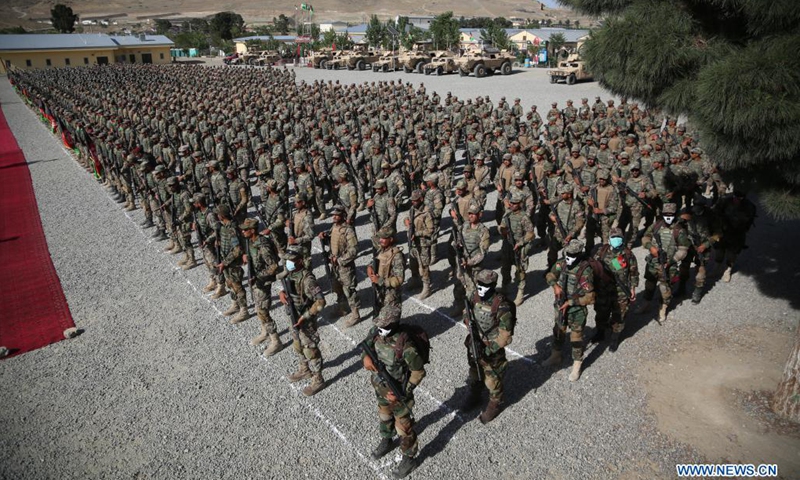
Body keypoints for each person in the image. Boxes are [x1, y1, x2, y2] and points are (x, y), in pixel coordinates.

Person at [361, 305, 425, 479]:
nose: (380, 330)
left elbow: (418, 372)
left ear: (393, 325)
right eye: (379, 326)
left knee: (404, 426)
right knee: (384, 415)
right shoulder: (377, 332)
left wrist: (403, 392)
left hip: (398, 392)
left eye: (384, 327)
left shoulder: (406, 347)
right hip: (380, 387)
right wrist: (365, 357)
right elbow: (365, 345)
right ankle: (387, 439)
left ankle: (409, 457)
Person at [462, 269, 516, 424]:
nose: (481, 288)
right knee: (474, 371)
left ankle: (495, 403)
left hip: (492, 349)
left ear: (493, 286)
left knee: (493, 379)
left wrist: (488, 350)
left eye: (485, 285)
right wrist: (468, 323)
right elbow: (466, 313)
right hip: (475, 342)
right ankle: (475, 394)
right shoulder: (473, 297)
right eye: (479, 284)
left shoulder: (501, 305)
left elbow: (505, 336)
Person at [543, 239, 595, 381]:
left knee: (576, 338)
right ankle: (556, 355)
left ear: (579, 255)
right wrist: (555, 285)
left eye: (572, 255)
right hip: (560, 305)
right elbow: (549, 274)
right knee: (558, 330)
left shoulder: (585, 271)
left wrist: (571, 302)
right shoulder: (562, 263)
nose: (569, 258)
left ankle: (577, 363)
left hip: (576, 310)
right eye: (567, 254)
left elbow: (590, 297)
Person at [281, 245, 327, 396]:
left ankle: (318, 379)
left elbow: (320, 302)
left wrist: (305, 317)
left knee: (310, 349)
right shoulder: (290, 273)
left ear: (300, 261)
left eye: (291, 260)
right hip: (294, 318)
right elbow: (284, 286)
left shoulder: (308, 280)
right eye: (287, 260)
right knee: (297, 345)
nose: (288, 263)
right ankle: (305, 370)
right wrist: (282, 294)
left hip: (305, 320)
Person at [638, 203, 691, 322]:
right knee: (650, 284)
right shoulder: (656, 225)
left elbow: (683, 250)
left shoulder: (679, 230)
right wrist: (650, 246)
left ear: (675, 214)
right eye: (666, 214)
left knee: (665, 288)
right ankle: (646, 303)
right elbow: (645, 236)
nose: (668, 216)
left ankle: (663, 309)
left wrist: (671, 261)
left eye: (671, 214)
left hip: (669, 265)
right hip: (653, 262)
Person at [240, 218, 283, 355]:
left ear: (252, 230)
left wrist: (258, 277)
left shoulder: (263, 245)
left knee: (263, 311)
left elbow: (274, 266)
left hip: (262, 282)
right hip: (256, 281)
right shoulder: (251, 241)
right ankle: (265, 331)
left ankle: (276, 340)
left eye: (245, 229)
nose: (243, 231)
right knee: (259, 308)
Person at [592, 228, 639, 351]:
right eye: (613, 237)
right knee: (601, 311)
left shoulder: (628, 254)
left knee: (619, 315)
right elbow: (595, 268)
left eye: (618, 237)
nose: (616, 240)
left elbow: (633, 273)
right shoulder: (602, 251)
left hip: (621, 291)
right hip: (604, 289)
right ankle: (600, 332)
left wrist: (633, 288)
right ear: (609, 238)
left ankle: (615, 338)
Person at [319, 206, 361, 327]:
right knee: (337, 286)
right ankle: (342, 308)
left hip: (345, 266)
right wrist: (324, 235)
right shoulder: (335, 227)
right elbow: (332, 237)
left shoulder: (348, 230)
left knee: (349, 290)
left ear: (342, 215)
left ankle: (355, 314)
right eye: (333, 215)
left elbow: (354, 250)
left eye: (337, 215)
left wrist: (340, 260)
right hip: (334, 265)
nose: (334, 217)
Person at [216, 204, 249, 324]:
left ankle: (244, 310)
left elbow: (237, 250)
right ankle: (235, 304)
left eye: (218, 214)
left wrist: (224, 262)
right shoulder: (224, 226)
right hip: (227, 263)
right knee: (230, 284)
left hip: (232, 264)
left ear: (222, 216)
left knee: (238, 287)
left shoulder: (231, 229)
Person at [713, 190, 756, 283]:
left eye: (739, 198)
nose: (737, 200)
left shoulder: (748, 206)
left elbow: (748, 220)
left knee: (732, 253)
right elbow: (715, 212)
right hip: (723, 231)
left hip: (737, 232)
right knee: (719, 250)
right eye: (735, 197)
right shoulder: (725, 201)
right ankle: (717, 268)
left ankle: (728, 270)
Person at [367, 227, 405, 313]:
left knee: (386, 321)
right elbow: (376, 260)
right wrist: (369, 267)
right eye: (380, 238)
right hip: (379, 290)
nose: (380, 240)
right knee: (377, 312)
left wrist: (380, 281)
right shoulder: (382, 249)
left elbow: (399, 279)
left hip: (390, 293)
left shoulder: (397, 255)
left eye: (383, 238)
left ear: (391, 239)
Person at [406, 189, 435, 299]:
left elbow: (430, 230)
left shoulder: (427, 212)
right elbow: (410, 220)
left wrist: (417, 234)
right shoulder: (413, 209)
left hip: (423, 243)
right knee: (412, 263)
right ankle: (415, 280)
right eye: (412, 200)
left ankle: (427, 287)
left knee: (424, 266)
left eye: (415, 200)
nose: (413, 202)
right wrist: (406, 221)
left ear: (421, 199)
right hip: (413, 243)